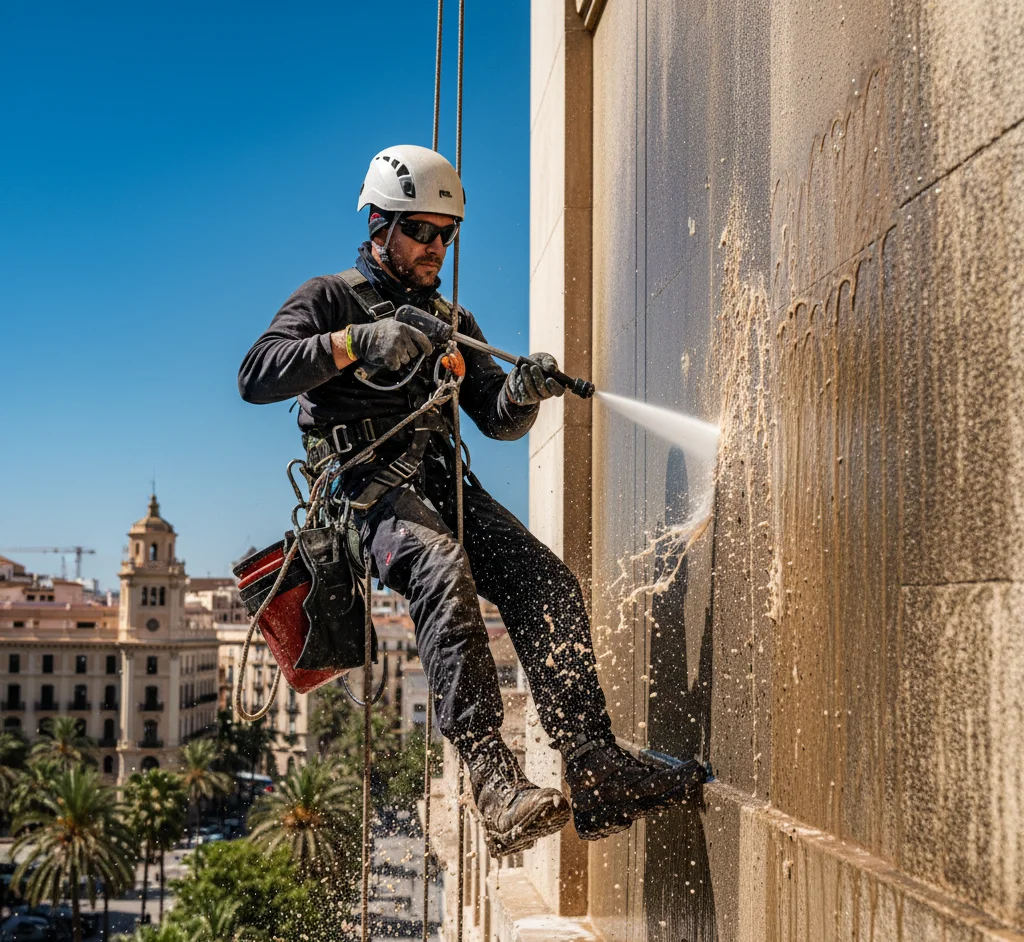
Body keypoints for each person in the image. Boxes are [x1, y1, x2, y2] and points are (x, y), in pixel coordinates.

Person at [238, 144, 706, 857]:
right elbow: (256, 373)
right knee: (439, 567)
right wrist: (356, 343)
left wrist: (524, 392)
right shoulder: (331, 299)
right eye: (419, 231)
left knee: (545, 582)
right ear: (379, 225)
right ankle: (493, 782)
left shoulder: (453, 322)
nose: (435, 247)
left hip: (443, 485)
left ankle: (595, 767)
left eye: (446, 235)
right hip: (367, 497)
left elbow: (496, 417)